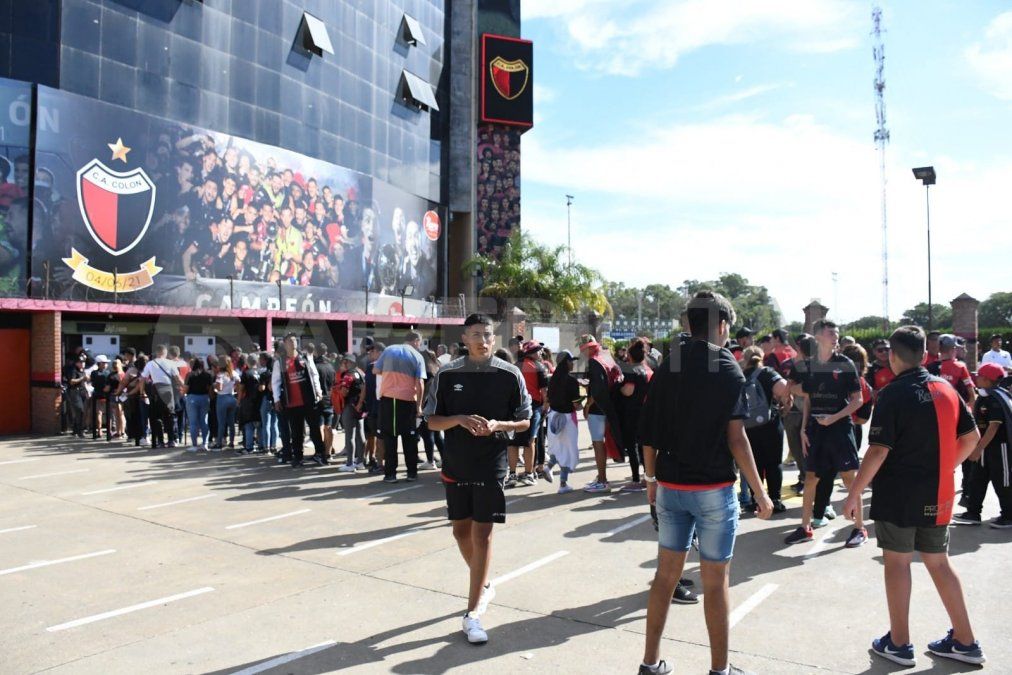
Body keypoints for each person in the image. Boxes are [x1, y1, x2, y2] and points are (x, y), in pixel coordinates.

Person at [638, 291, 773, 675]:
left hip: (669, 485)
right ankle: (719, 671)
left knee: (665, 577)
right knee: (716, 583)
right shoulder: (728, 366)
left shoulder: (669, 364)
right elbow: (737, 438)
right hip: (712, 490)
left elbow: (647, 432)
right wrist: (760, 493)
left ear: (690, 324)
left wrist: (650, 479)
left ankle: (650, 663)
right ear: (723, 325)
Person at [842, 325, 986, 668]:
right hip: (939, 492)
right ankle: (966, 641)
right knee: (939, 561)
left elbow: (877, 451)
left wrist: (855, 492)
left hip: (899, 493)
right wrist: (941, 467)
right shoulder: (947, 388)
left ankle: (899, 642)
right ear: (925, 355)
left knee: (898, 562)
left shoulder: (892, 393)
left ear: (892, 356)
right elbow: (972, 438)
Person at [424, 313, 532, 646]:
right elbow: (430, 421)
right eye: (476, 335)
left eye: (487, 335)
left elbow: (525, 422)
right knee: (460, 531)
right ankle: (482, 582)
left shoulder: (510, 374)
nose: (483, 341)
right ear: (464, 338)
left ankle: (472, 614)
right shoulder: (447, 373)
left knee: (482, 532)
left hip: (492, 462)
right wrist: (456, 418)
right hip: (456, 462)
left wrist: (500, 425)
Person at [785, 320, 868, 548]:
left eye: (837, 333)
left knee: (850, 478)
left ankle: (859, 528)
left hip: (840, 428)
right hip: (815, 429)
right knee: (811, 478)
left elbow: (857, 400)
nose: (836, 336)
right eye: (831, 333)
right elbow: (808, 398)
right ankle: (805, 527)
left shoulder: (845, 363)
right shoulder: (809, 365)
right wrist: (803, 429)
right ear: (818, 336)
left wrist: (833, 418)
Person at [953, 362, 1012, 529]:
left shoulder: (995, 399)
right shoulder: (987, 396)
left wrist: (977, 449)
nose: (975, 378)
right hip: (985, 446)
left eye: (978, 376)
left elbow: (994, 426)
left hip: (1000, 448)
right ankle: (973, 513)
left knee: (1003, 482)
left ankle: (1009, 516)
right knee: (977, 479)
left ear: (987, 380)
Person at [740, 345, 791, 513]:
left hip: (747, 426)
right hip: (770, 424)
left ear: (745, 359)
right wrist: (785, 404)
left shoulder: (739, 375)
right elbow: (784, 388)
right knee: (773, 463)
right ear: (762, 357)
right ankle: (775, 499)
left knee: (754, 464)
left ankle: (757, 501)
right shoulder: (767, 372)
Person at [373, 330, 427, 483]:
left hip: (388, 400)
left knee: (390, 438)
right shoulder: (417, 356)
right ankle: (411, 473)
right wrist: (419, 407)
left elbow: (375, 370)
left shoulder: (389, 350)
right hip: (407, 400)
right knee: (409, 439)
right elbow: (420, 384)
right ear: (416, 341)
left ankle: (390, 474)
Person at [271, 333, 324, 468]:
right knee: (296, 432)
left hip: (308, 400)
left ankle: (320, 454)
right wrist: (277, 399)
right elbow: (275, 382)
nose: (293, 343)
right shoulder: (280, 362)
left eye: (295, 340)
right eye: (290, 340)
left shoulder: (305, 357)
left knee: (314, 428)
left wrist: (318, 390)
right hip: (291, 403)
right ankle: (298, 457)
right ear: (284, 343)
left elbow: (314, 374)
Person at [580, 334, 624, 493]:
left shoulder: (594, 361)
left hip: (598, 408)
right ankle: (601, 477)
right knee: (603, 443)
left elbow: (598, 390)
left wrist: (587, 405)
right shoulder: (607, 356)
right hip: (610, 406)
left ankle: (603, 480)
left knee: (598, 443)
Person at [507, 340, 548, 487]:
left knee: (512, 442)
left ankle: (511, 474)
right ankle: (528, 474)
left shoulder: (513, 366)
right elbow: (544, 391)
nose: (541, 353)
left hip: (514, 408)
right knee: (530, 441)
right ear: (532, 352)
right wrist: (546, 406)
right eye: (538, 350)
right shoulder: (539, 366)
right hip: (533, 407)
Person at [545, 350, 584, 494]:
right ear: (566, 362)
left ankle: (548, 467)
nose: (573, 363)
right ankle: (563, 483)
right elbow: (576, 405)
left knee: (558, 449)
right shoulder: (572, 381)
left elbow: (548, 399)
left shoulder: (553, 379)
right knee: (569, 451)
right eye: (571, 361)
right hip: (567, 419)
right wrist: (585, 403)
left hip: (554, 417)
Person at [616, 338, 652, 492]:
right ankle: (647, 476)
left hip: (632, 413)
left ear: (630, 356)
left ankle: (636, 479)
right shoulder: (646, 370)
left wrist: (618, 387)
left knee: (632, 447)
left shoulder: (631, 370)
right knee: (644, 445)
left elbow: (628, 391)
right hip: (645, 411)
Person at [142, 344, 181, 449]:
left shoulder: (150, 363)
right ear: (165, 353)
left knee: (157, 416)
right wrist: (183, 388)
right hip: (168, 390)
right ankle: (171, 440)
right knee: (170, 415)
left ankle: (160, 441)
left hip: (156, 390)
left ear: (156, 352)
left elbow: (143, 378)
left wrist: (142, 392)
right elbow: (178, 378)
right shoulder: (170, 363)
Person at [337, 353, 366, 473]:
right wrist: (360, 403)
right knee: (360, 434)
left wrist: (338, 389)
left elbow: (344, 392)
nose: (344, 364)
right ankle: (360, 462)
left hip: (350, 406)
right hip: (360, 406)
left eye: (345, 362)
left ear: (349, 362)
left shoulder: (348, 375)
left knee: (350, 436)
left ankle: (350, 463)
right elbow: (365, 388)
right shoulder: (361, 373)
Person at [309, 342, 336, 465]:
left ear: (316, 352)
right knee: (329, 426)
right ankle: (328, 452)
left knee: (319, 426)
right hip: (330, 398)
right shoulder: (331, 366)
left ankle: (320, 452)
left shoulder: (315, 366)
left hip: (318, 398)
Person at [363, 341, 385, 474]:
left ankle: (380, 463)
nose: (370, 353)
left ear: (379, 353)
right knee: (377, 436)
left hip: (379, 407)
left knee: (381, 437)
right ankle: (378, 461)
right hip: (374, 407)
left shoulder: (378, 367)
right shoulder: (371, 367)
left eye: (372, 351)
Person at [183, 358, 212, 451]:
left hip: (192, 398)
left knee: (193, 422)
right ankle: (205, 443)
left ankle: (194, 445)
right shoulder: (208, 375)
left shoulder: (189, 375)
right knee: (204, 421)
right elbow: (210, 389)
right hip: (204, 398)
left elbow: (186, 389)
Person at [213, 356, 240, 450]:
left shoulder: (220, 375)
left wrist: (214, 387)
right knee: (231, 423)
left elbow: (219, 388)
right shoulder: (233, 373)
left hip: (222, 398)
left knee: (221, 423)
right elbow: (238, 383)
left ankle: (219, 443)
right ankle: (232, 442)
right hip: (231, 397)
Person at [237, 354, 262, 455]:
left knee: (248, 425)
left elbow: (241, 388)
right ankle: (261, 446)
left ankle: (249, 447)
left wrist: (238, 400)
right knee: (260, 425)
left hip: (248, 401)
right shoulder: (261, 372)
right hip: (259, 401)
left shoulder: (246, 373)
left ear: (248, 362)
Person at [64, 353, 89, 438]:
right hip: (75, 391)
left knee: (81, 411)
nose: (82, 364)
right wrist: (82, 378)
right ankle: (80, 430)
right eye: (80, 362)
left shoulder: (82, 370)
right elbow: (71, 381)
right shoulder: (73, 370)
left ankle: (75, 430)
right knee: (80, 410)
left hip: (82, 391)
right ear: (76, 362)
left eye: (83, 362)